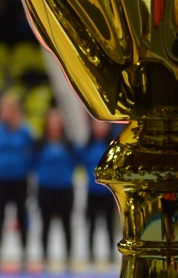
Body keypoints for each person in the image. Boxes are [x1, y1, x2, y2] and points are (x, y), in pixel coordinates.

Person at [0, 93, 36, 269]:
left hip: (20, 179)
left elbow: (33, 153)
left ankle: (24, 254)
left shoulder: (25, 130)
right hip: (1, 179)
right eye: (3, 109)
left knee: (21, 216)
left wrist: (27, 170)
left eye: (8, 109)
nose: (5, 112)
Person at [35, 108, 77, 265]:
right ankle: (44, 257)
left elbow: (77, 160)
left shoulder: (68, 144)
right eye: (51, 121)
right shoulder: (40, 143)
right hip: (45, 189)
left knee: (67, 224)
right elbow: (33, 162)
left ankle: (69, 257)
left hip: (65, 189)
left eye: (57, 122)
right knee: (45, 224)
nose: (54, 125)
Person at [83, 117, 117, 264]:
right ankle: (90, 254)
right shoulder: (88, 146)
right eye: (97, 125)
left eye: (103, 125)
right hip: (92, 192)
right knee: (91, 225)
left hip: (109, 193)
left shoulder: (112, 147)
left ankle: (111, 253)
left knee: (110, 225)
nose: (100, 128)